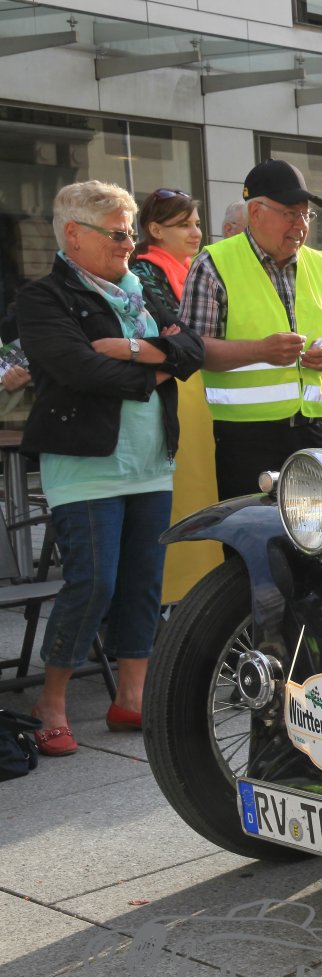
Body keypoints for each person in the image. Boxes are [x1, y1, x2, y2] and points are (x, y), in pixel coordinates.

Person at [15, 180, 205, 754]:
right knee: (94, 582)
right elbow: (79, 369)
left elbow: (193, 349)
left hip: (150, 459)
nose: (128, 244)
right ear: (73, 234)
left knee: (143, 583)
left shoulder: (141, 288)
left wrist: (130, 349)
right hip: (85, 465)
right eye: (118, 234)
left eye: (130, 234)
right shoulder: (43, 298)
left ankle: (131, 696)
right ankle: (51, 701)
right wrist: (157, 366)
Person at [178, 159, 322, 501]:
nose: (301, 225)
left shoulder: (321, 264)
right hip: (246, 438)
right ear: (256, 213)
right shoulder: (213, 264)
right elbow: (194, 349)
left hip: (315, 430)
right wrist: (260, 351)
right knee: (252, 530)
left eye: (306, 215)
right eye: (290, 214)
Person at [130, 187, 203, 323]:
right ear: (156, 230)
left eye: (197, 224)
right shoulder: (141, 277)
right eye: (184, 225)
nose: (196, 233)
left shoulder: (198, 271)